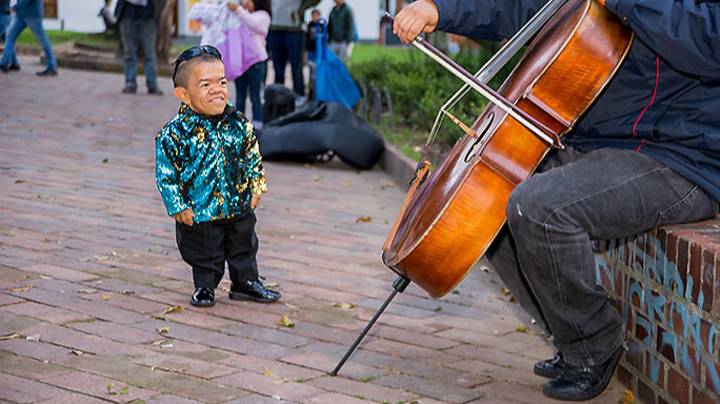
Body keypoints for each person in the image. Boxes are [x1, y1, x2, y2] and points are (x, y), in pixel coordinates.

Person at [394, 0, 719, 401]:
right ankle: (570, 336)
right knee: (488, 202)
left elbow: (710, 42)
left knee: (540, 207)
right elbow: (525, 7)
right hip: (602, 143)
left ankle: (594, 343)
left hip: (682, 156)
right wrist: (439, 11)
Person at [155, 45, 281, 308]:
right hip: (200, 209)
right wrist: (178, 205)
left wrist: (256, 183)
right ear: (183, 95)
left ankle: (245, 282)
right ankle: (204, 285)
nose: (217, 89)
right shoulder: (175, 133)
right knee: (204, 250)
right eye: (205, 85)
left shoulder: (238, 122)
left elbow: (251, 155)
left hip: (238, 203)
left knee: (244, 244)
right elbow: (166, 174)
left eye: (221, 81)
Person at [228, 0, 271, 129]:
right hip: (240, 62)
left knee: (255, 95)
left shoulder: (263, 16)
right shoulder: (241, 15)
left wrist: (238, 10)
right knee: (240, 95)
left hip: (256, 62)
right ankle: (238, 125)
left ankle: (258, 123)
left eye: (249, 0)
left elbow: (253, 24)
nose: (245, 3)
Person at [268, 0, 319, 104]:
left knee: (296, 66)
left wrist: (303, 7)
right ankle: (278, 95)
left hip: (293, 29)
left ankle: (299, 94)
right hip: (274, 27)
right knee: (278, 67)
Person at [114, 0, 163, 95]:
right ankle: (130, 82)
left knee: (149, 53)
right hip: (127, 14)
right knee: (129, 53)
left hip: (148, 15)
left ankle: (152, 84)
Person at [0, 0, 56, 75]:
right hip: (20, 15)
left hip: (32, 14)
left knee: (43, 39)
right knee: (10, 36)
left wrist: (15, 7)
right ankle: (5, 63)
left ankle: (51, 67)